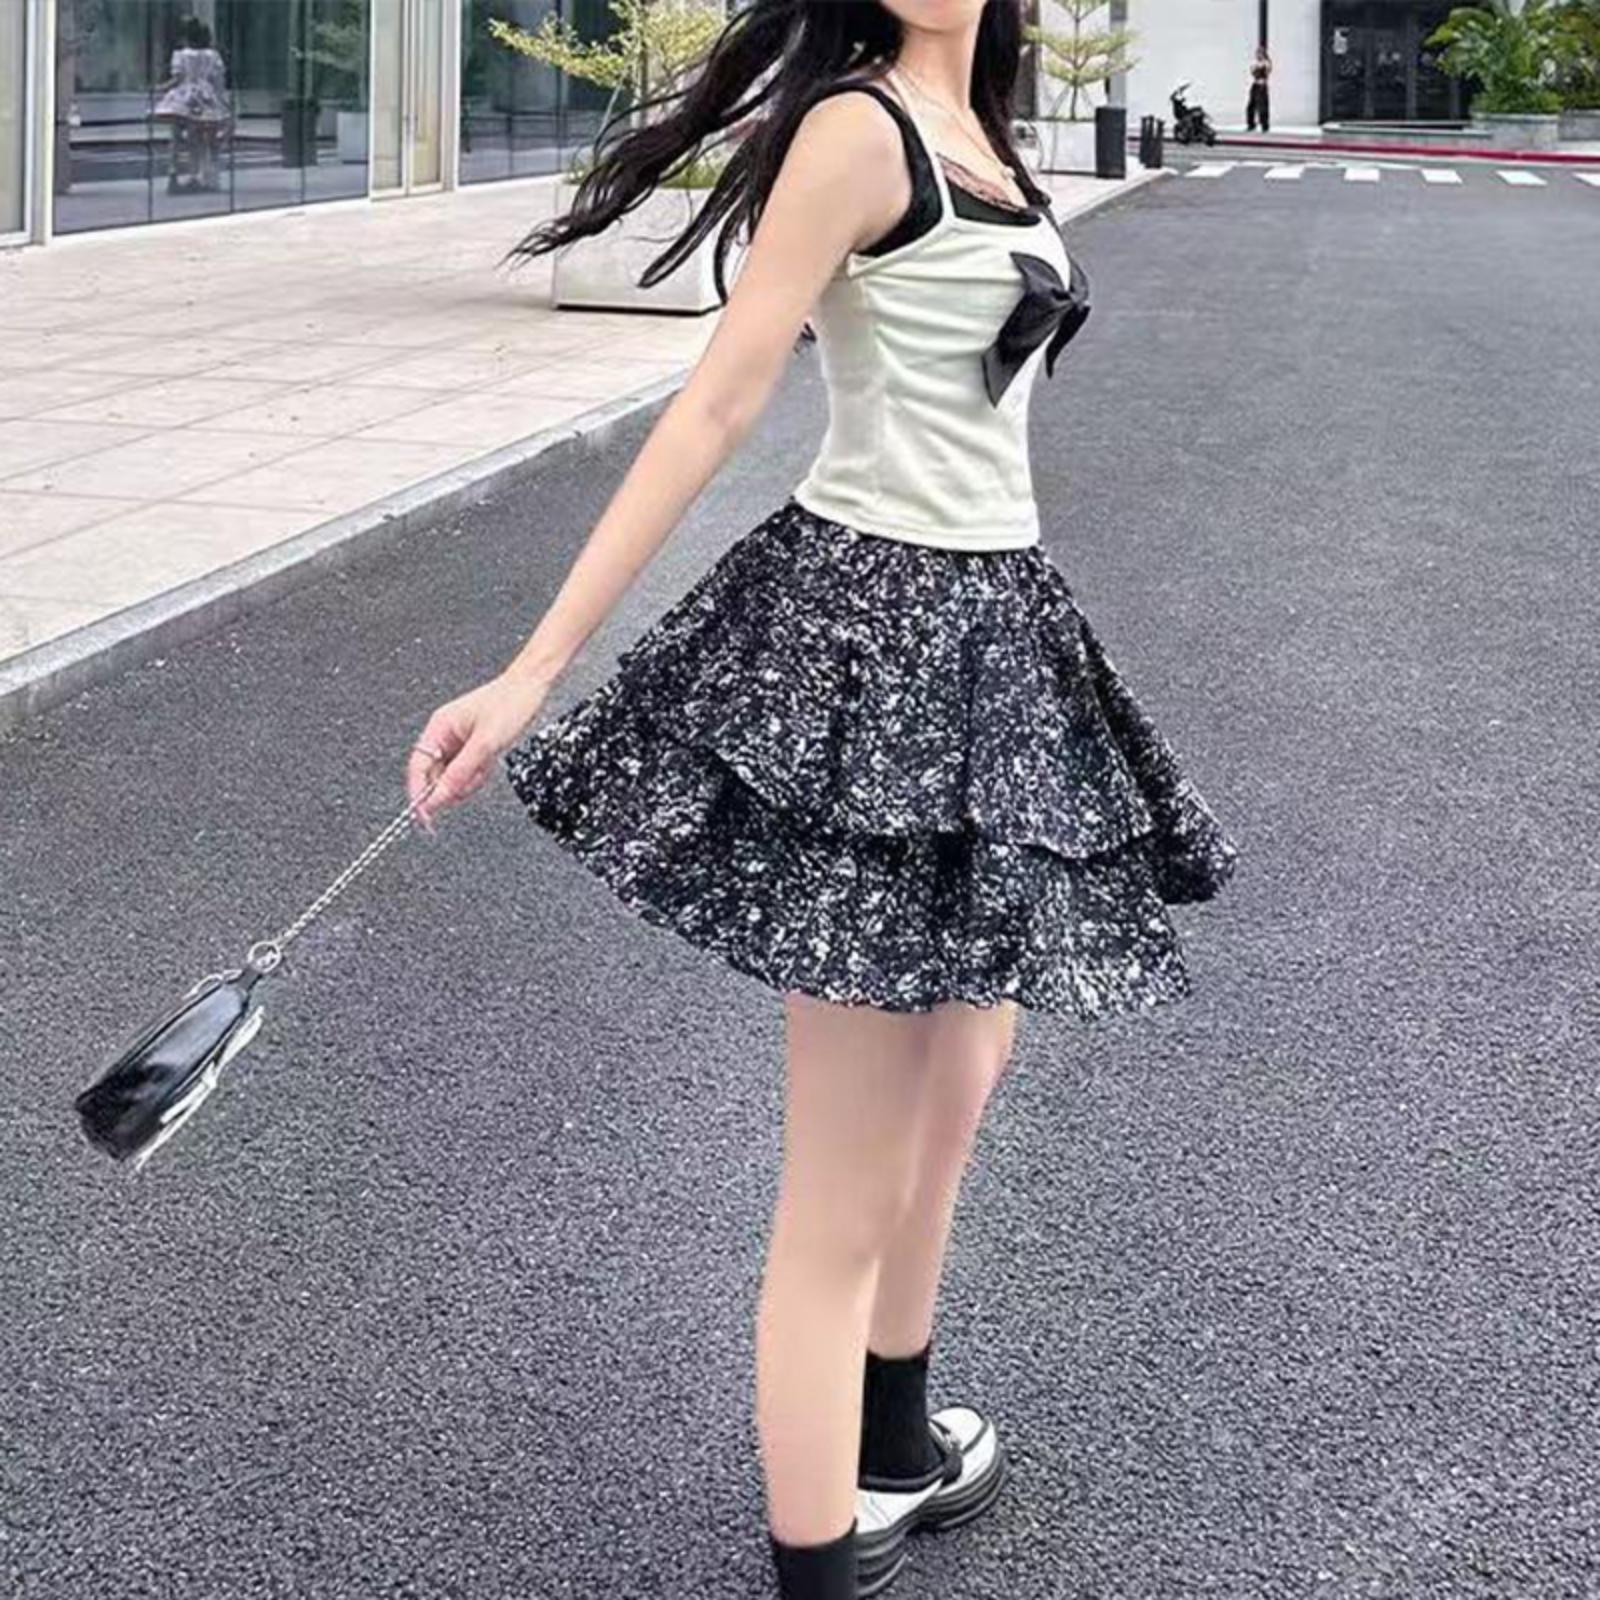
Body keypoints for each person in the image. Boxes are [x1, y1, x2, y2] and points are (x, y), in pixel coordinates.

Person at [404, 1, 1241, 1595]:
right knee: (847, 1171)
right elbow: (720, 400)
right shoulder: (859, 130)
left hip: (999, 634)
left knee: (963, 1071)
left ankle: (895, 1441)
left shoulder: (986, 136)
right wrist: (529, 673)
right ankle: (815, 1557)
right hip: (869, 647)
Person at [154, 17, 231, 193]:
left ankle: (173, 172)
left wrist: (160, 88)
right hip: (205, 97)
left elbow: (178, 78)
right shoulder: (212, 56)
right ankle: (201, 175)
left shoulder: (181, 55)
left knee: (176, 135)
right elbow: (218, 81)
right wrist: (223, 101)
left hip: (183, 98)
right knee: (203, 137)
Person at [1247, 43, 1273, 133]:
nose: (1258, 55)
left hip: (1262, 86)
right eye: (1257, 53)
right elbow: (1252, 72)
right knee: (1251, 106)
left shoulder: (1266, 63)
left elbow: (1267, 71)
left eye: (1260, 53)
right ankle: (1251, 124)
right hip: (1255, 85)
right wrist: (1255, 68)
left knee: (1262, 106)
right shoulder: (1255, 63)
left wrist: (1259, 67)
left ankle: (1264, 125)